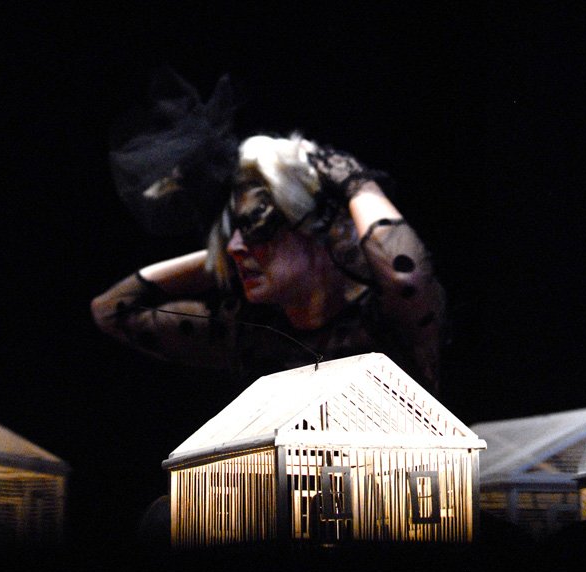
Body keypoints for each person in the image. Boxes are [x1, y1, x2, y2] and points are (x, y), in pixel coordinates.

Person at [93, 86, 445, 392]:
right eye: (231, 232)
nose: (236, 245)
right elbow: (112, 310)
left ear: (313, 227)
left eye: (256, 224)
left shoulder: (388, 319)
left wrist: (353, 181)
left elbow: (405, 275)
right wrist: (221, 255)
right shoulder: (253, 335)